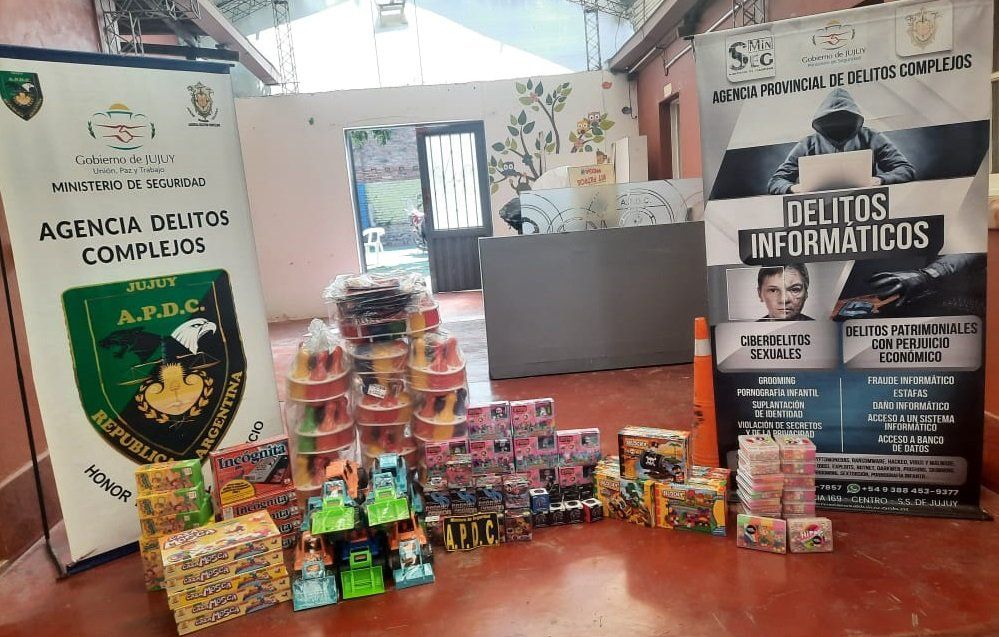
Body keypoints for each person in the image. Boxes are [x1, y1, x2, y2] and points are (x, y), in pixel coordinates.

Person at [768, 88, 916, 195]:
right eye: (831, 119)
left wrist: (879, 180)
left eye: (843, 118)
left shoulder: (871, 137)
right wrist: (794, 188)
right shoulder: (808, 144)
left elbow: (906, 169)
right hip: (819, 210)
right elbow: (776, 181)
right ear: (822, 120)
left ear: (854, 119)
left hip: (865, 206)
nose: (837, 123)